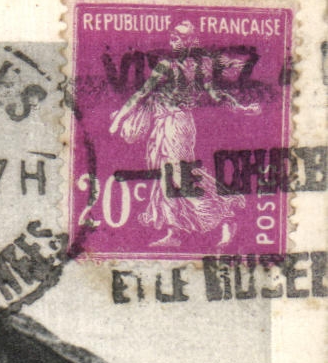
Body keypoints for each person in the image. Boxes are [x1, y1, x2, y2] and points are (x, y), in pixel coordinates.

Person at [107, 21, 262, 247]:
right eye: (172, 37)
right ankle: (174, 233)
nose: (174, 41)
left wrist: (240, 108)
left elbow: (215, 94)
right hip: (166, 125)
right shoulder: (172, 65)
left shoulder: (193, 66)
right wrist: (120, 117)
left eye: (179, 37)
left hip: (177, 125)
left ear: (190, 41)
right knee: (165, 176)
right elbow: (142, 93)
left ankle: (225, 219)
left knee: (180, 176)